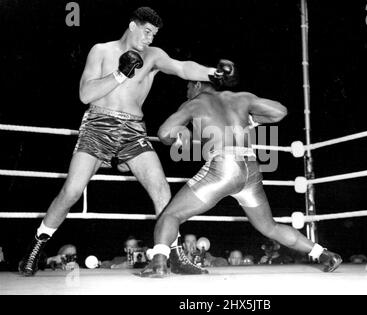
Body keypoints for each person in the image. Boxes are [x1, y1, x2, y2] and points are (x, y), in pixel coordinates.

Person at [18, 6, 237, 277]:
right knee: (71, 192)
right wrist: (119, 74)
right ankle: (35, 250)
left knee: (160, 188)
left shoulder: (154, 55)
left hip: (133, 130)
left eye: (154, 35)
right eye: (146, 32)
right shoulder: (101, 51)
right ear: (132, 25)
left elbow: (182, 68)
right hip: (98, 125)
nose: (150, 39)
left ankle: (176, 254)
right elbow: (85, 94)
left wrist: (212, 73)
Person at [148, 80, 343, 276]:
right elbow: (279, 111)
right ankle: (326, 255)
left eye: (188, 87)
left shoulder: (194, 104)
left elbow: (164, 133)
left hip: (223, 167)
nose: (187, 92)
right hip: (251, 169)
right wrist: (251, 120)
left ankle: (158, 264)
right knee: (270, 227)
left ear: (197, 85)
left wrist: (179, 136)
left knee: (171, 215)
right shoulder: (240, 98)